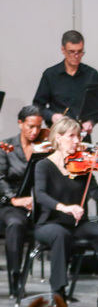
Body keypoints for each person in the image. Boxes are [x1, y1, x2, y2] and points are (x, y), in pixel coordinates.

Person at [32, 116, 98, 307]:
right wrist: (65, 207)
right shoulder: (43, 165)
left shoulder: (81, 165)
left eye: (78, 136)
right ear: (58, 138)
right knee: (60, 235)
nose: (77, 141)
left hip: (78, 224)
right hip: (49, 224)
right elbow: (40, 195)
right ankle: (58, 294)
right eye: (72, 136)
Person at [0, 105, 45, 292]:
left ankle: (61, 286)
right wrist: (13, 199)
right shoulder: (6, 147)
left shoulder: (44, 147)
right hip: (12, 204)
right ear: (20, 123)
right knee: (15, 225)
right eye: (30, 126)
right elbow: (0, 178)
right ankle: (15, 278)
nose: (35, 131)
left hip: (39, 203)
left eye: (38, 127)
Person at [33, 30, 98, 136]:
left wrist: (91, 121)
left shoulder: (91, 74)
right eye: (71, 52)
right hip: (57, 134)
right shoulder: (50, 74)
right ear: (63, 50)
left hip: (81, 134)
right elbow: (38, 106)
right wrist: (52, 116)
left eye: (80, 51)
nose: (76, 56)